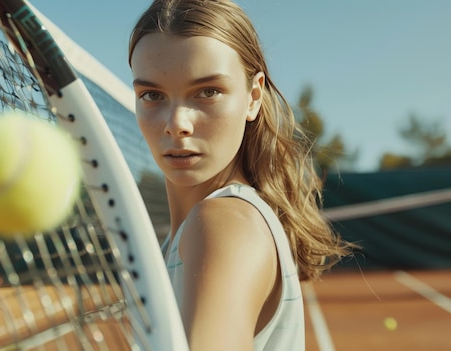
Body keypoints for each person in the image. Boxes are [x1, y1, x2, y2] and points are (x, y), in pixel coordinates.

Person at [128, 0, 356, 349]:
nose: (176, 125)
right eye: (152, 95)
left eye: (208, 92)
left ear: (253, 97)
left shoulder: (221, 223)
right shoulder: (192, 233)